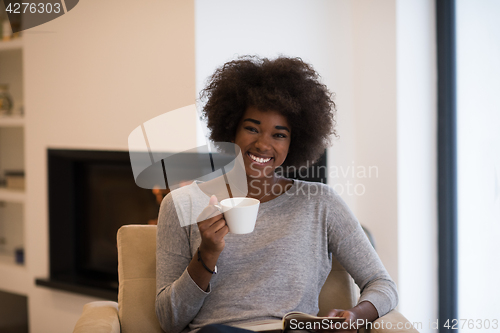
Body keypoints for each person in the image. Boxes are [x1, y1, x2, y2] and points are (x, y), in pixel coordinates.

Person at [155, 56, 398, 333]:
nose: (263, 144)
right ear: (231, 129)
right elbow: (169, 320)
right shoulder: (181, 204)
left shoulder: (320, 202)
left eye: (279, 135)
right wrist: (207, 254)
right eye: (252, 128)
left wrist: (355, 315)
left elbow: (382, 284)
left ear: (295, 141)